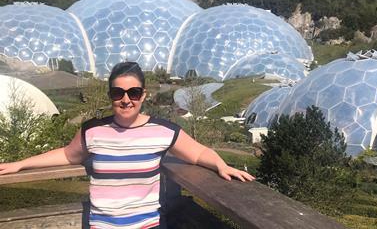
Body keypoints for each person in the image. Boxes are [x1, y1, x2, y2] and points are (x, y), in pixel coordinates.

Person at [0, 62, 255, 229]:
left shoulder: (162, 131)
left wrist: (221, 165)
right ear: (110, 95)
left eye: (133, 93)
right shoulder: (93, 130)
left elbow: (198, 152)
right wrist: (21, 164)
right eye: (117, 93)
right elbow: (68, 154)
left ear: (143, 95)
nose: (125, 100)